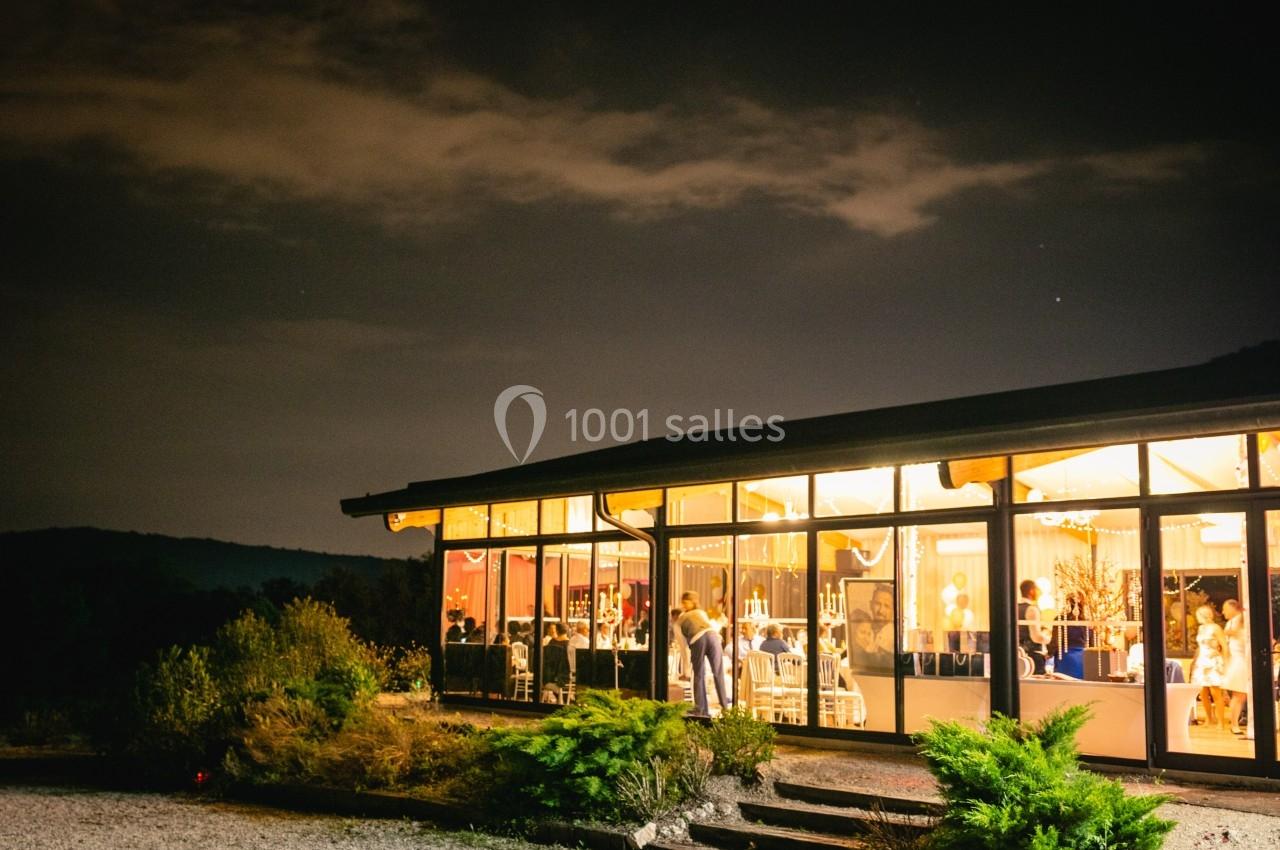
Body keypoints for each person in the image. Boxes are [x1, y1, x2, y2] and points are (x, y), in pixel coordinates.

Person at [677, 591, 730, 717]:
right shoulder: (701, 613)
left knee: (699, 675)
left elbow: (683, 647)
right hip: (713, 637)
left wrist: (686, 670)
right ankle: (725, 708)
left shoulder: (680, 620)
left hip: (698, 640)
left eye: (685, 602)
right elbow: (711, 627)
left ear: (692, 602)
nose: (683, 605)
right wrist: (721, 622)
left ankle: (701, 710)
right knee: (718, 674)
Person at [1190, 604, 1229, 728]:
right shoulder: (1201, 628)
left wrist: (1225, 661)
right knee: (1202, 692)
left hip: (1213, 661)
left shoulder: (1216, 628)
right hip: (1202, 661)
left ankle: (1221, 721)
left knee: (1215, 692)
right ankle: (1209, 718)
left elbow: (1224, 645)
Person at [1221, 599, 1250, 735]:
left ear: (1233, 608)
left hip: (1241, 660)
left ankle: (1236, 723)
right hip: (1239, 661)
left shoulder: (1239, 620)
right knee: (1239, 695)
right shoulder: (1234, 622)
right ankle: (1234, 724)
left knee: (1240, 695)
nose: (1223, 612)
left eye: (1225, 609)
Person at [1049, 593, 1089, 679]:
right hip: (1082, 658)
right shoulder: (1085, 620)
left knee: (1063, 687)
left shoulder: (1060, 618)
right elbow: (1091, 642)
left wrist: (1049, 653)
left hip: (1065, 656)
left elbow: (1055, 641)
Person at [1017, 580, 1051, 675]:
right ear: (1032, 591)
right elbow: (1036, 637)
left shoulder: (1015, 608)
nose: (1039, 593)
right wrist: (1049, 638)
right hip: (1033, 657)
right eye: (1038, 590)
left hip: (1019, 654)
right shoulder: (1032, 609)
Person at [869, 584, 895, 655]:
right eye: (877, 604)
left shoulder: (896, 637)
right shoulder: (862, 631)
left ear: (894, 610)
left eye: (886, 606)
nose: (881, 611)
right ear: (870, 605)